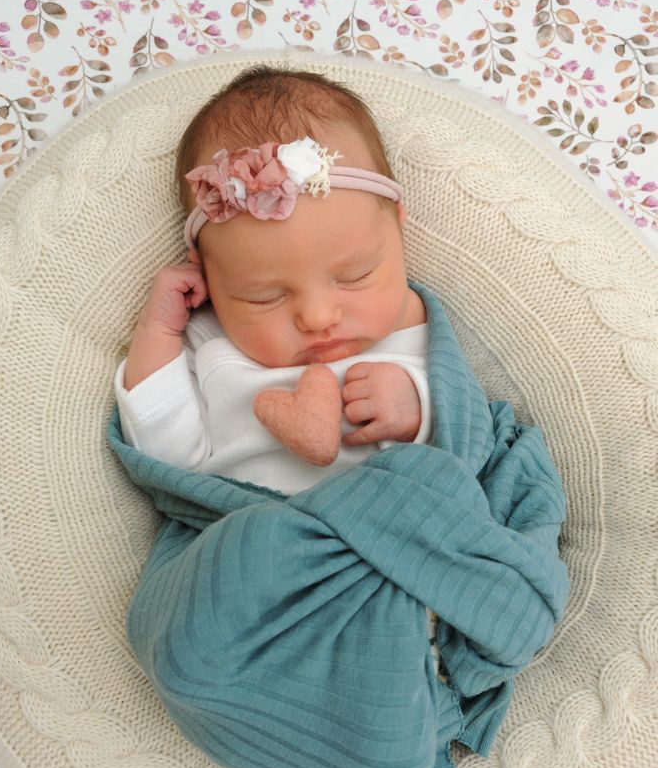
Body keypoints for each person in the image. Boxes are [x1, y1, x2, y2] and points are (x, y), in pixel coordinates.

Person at [113, 64, 447, 680]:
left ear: (398, 229)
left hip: (389, 547)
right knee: (191, 638)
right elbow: (170, 457)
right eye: (263, 297)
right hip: (257, 560)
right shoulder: (212, 344)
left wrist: (418, 406)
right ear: (207, 276)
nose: (318, 317)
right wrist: (157, 334)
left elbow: (466, 440)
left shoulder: (410, 325)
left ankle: (415, 661)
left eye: (354, 276)